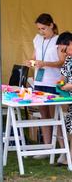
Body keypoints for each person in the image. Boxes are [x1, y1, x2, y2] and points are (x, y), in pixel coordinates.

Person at [31, 13, 65, 148]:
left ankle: (63, 148)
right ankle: (47, 146)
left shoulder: (59, 40)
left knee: (56, 116)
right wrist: (31, 63)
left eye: (43, 28)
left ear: (51, 25)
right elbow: (33, 57)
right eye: (39, 29)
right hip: (40, 82)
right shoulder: (37, 39)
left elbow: (62, 62)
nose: (41, 31)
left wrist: (45, 63)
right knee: (44, 115)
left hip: (53, 82)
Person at [56, 32, 72, 166]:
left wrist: (69, 86)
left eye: (64, 49)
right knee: (70, 127)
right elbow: (63, 75)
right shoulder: (68, 59)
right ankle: (69, 155)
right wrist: (60, 83)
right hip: (70, 99)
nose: (64, 53)